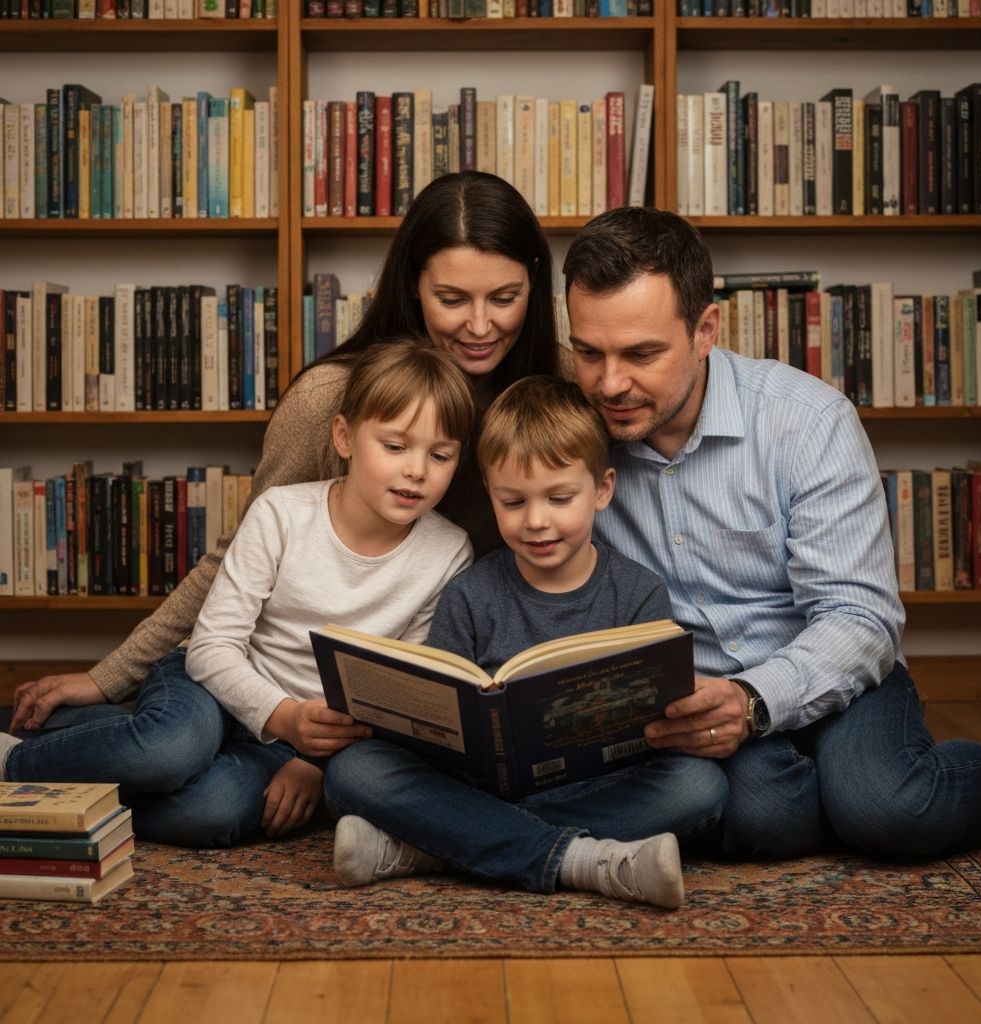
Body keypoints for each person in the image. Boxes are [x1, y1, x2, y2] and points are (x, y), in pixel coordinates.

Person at [3, 171, 561, 841]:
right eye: (451, 298)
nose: (479, 325)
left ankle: (115, 762)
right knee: (176, 745)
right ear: (413, 286)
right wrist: (109, 674)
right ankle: (49, 755)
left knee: (214, 806)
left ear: (535, 284)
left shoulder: (545, 400)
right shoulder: (331, 399)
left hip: (330, 721)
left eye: (504, 298)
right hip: (236, 674)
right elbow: (227, 565)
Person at [560, 205, 981, 861]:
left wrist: (753, 700)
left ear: (705, 329)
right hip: (698, 708)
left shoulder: (806, 421)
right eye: (588, 353)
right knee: (764, 824)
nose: (610, 383)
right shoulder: (569, 439)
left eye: (642, 353)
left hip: (829, 670)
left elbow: (859, 617)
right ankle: (827, 787)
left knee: (889, 810)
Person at [3, 340, 478, 845]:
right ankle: (14, 762)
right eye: (396, 446)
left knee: (211, 813)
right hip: (211, 684)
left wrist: (313, 761)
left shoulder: (448, 552)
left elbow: (400, 692)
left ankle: (108, 739)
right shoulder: (282, 513)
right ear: (344, 436)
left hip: (292, 743)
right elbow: (212, 648)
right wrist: (284, 716)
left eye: (440, 454)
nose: (417, 470)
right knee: (172, 750)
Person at [325, 376, 728, 908]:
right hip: (481, 788)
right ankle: (588, 861)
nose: (537, 522)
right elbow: (442, 724)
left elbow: (659, 722)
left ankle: (437, 846)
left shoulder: (639, 594)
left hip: (597, 788)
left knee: (701, 786)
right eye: (512, 502)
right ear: (490, 494)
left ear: (602, 489)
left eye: (560, 498)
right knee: (352, 771)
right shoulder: (469, 593)